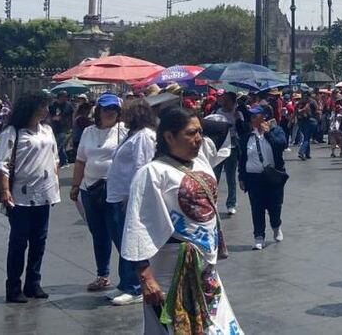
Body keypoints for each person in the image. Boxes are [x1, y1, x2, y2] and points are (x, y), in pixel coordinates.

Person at [123, 108, 243, 334]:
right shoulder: (152, 173)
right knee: (177, 326)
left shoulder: (201, 162)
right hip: (171, 267)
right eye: (190, 133)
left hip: (206, 265)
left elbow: (223, 128)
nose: (198, 139)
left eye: (200, 132)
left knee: (218, 325)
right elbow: (137, 225)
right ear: (168, 136)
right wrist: (146, 277)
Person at [0, 92, 61, 303]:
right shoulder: (13, 132)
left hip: (44, 193)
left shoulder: (48, 130)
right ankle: (13, 286)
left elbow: (55, 158)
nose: (46, 110)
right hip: (21, 195)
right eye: (43, 106)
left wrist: (52, 177)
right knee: (18, 241)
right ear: (31, 108)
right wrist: (5, 190)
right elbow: (2, 165)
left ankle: (33, 282)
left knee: (39, 240)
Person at [70, 93, 126, 293]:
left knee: (118, 232)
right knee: (98, 233)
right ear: (98, 112)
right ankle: (102, 274)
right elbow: (80, 160)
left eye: (113, 109)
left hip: (114, 190)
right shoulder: (88, 132)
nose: (110, 112)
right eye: (106, 109)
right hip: (90, 188)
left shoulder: (124, 131)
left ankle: (131, 276)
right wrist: (75, 185)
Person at [104, 99, 158, 306]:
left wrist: (133, 196)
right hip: (116, 194)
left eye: (125, 113)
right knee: (121, 240)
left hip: (127, 197)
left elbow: (141, 166)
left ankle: (135, 286)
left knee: (129, 242)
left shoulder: (144, 136)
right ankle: (125, 281)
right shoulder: (132, 134)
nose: (122, 116)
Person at [238, 105, 287, 250]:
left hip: (272, 176)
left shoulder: (276, 130)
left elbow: (281, 146)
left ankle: (276, 225)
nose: (251, 119)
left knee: (275, 206)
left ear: (263, 117)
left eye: (255, 116)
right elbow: (242, 159)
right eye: (251, 117)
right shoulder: (247, 137)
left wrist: (268, 134)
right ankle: (259, 236)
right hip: (254, 178)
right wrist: (241, 176)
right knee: (256, 208)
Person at [207, 92, 243, 215]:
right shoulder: (216, 113)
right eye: (224, 100)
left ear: (234, 102)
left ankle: (231, 203)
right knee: (214, 176)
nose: (225, 102)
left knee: (231, 177)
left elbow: (242, 130)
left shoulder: (238, 114)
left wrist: (238, 120)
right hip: (219, 147)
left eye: (228, 100)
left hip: (232, 147)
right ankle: (212, 202)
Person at [48, 90, 74, 167]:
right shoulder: (53, 105)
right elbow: (49, 114)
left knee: (58, 144)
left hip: (64, 128)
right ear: (59, 97)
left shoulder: (68, 105)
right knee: (61, 145)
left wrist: (71, 126)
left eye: (66, 96)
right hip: (54, 127)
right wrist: (52, 119)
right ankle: (64, 161)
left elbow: (71, 116)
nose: (65, 98)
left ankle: (54, 161)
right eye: (64, 96)